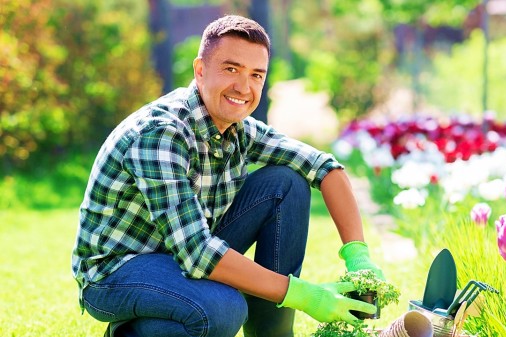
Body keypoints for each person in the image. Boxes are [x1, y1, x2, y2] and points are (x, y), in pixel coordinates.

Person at [72, 14, 386, 337]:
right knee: (224, 309)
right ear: (200, 70)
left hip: (178, 253)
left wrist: (358, 256)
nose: (243, 87)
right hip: (116, 272)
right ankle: (129, 332)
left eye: (256, 75)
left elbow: (324, 167)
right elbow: (196, 253)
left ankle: (271, 334)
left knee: (287, 183)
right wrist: (305, 295)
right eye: (231, 69)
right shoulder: (162, 133)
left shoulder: (239, 129)